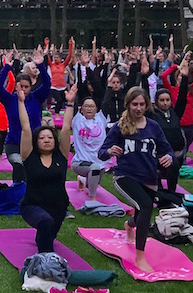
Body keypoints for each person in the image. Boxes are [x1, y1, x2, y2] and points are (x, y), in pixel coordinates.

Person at [99, 87, 174, 273]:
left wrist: (169, 157)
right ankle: (140, 256)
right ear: (128, 105)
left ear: (147, 105)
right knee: (146, 206)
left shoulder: (153, 126)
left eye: (142, 104)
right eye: (135, 104)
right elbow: (101, 152)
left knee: (143, 210)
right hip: (125, 176)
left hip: (148, 177)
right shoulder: (119, 127)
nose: (138, 108)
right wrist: (109, 151)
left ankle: (129, 225)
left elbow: (167, 149)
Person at [19, 84, 75, 253]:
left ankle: (42, 240)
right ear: (36, 142)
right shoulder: (29, 156)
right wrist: (21, 102)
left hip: (58, 206)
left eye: (50, 137)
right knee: (45, 223)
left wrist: (70, 103)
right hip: (33, 205)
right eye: (42, 138)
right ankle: (46, 263)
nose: (46, 140)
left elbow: (65, 128)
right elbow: (26, 128)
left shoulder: (61, 156)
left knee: (47, 233)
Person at [0, 49, 50, 183]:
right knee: (18, 164)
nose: (24, 89)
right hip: (14, 143)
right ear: (15, 86)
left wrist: (41, 65)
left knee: (32, 170)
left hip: (34, 143)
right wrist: (6, 67)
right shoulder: (9, 100)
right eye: (21, 86)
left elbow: (47, 84)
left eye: (26, 87)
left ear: (30, 87)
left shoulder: (36, 98)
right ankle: (18, 190)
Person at [69, 95, 108, 200]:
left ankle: (82, 180)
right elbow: (73, 104)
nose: (89, 108)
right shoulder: (77, 120)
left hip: (98, 163)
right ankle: (92, 197)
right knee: (94, 168)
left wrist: (109, 86)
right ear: (81, 109)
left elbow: (106, 100)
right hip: (80, 163)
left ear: (96, 109)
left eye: (91, 106)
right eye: (86, 106)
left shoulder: (101, 119)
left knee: (95, 175)